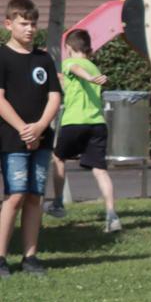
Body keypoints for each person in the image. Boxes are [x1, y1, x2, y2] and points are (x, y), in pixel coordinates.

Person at [0, 0, 60, 278]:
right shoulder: (2, 57)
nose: (30, 29)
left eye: (33, 24)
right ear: (9, 24)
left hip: (41, 140)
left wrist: (39, 128)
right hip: (12, 140)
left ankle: (30, 257)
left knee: (35, 196)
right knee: (16, 195)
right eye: (24, 23)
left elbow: (54, 96)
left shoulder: (43, 58)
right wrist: (24, 128)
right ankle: (1, 258)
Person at [52, 29, 118, 235]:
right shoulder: (95, 66)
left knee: (58, 157)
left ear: (69, 48)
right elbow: (67, 79)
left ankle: (57, 203)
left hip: (74, 123)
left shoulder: (71, 63)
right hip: (97, 124)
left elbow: (75, 68)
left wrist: (89, 77)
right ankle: (111, 214)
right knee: (100, 170)